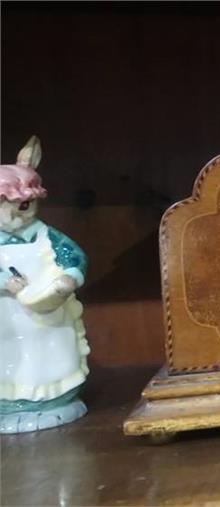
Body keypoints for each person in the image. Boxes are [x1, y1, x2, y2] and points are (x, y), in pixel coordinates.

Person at [0, 136, 90, 433]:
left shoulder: (47, 237)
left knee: (53, 354)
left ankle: (55, 399)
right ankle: (10, 406)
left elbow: (74, 257)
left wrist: (69, 278)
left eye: (23, 206)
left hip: (49, 318)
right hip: (7, 319)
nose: (12, 217)